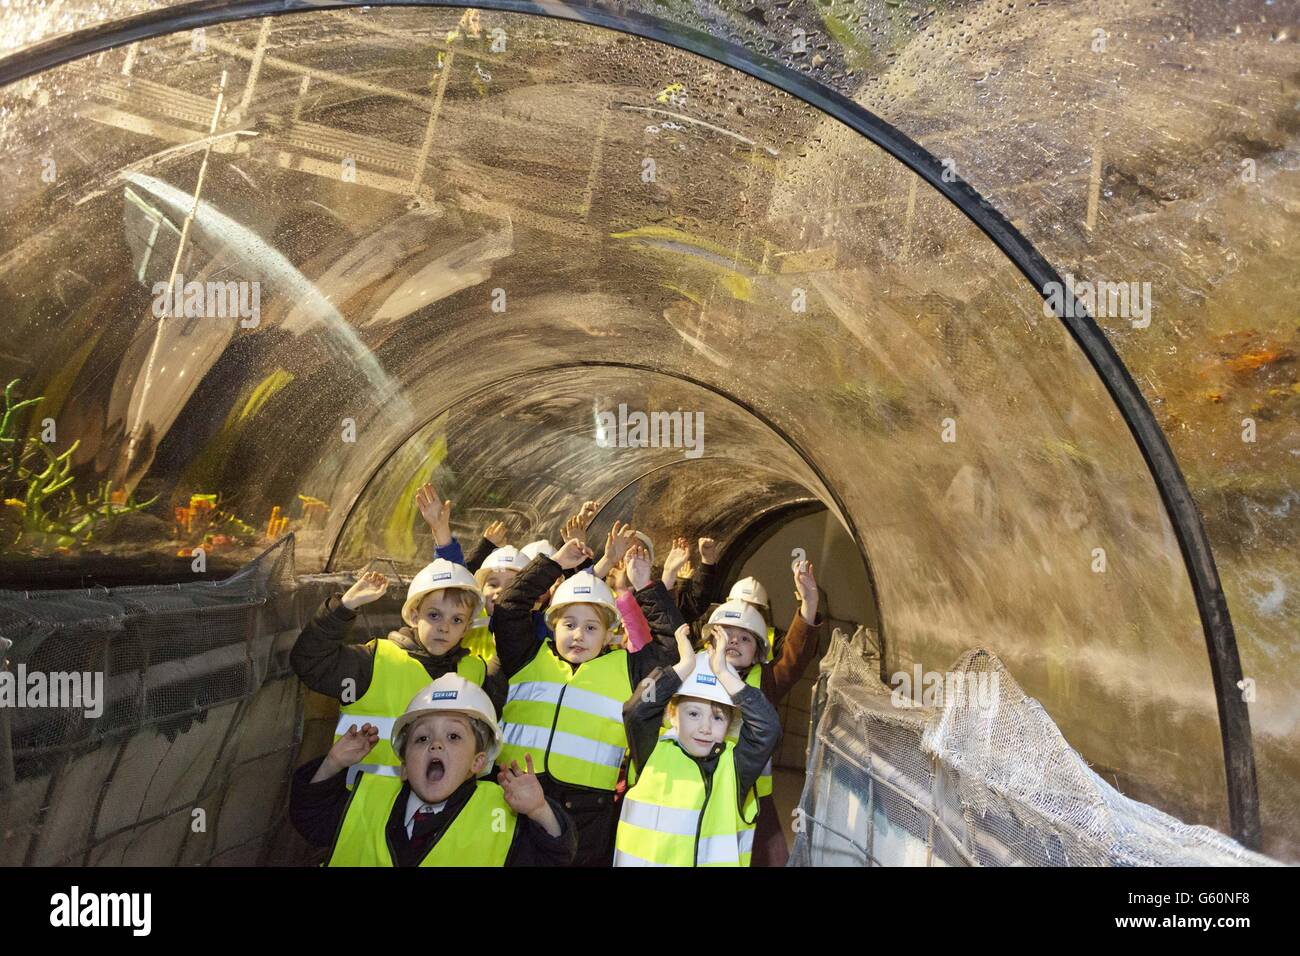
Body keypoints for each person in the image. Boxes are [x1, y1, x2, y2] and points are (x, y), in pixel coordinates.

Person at [492, 536, 680, 865]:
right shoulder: (525, 656)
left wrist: (644, 587)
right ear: (552, 626)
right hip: (509, 795)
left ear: (610, 634)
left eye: (592, 627)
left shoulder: (630, 670)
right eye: (569, 624)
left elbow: (671, 646)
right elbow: (509, 607)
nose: (579, 634)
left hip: (586, 813)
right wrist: (553, 565)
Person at [290, 675, 576, 866]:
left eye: (453, 737)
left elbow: (554, 856)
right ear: (404, 765)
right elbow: (310, 819)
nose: (436, 745)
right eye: (422, 738)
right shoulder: (367, 798)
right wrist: (333, 764)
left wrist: (539, 810)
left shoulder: (502, 815)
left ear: (477, 763)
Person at [290, 558, 504, 784]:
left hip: (437, 816)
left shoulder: (476, 672)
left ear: (467, 628)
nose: (444, 627)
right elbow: (309, 662)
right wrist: (344, 607)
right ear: (414, 616)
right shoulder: (374, 662)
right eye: (434, 615)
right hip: (361, 808)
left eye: (457, 619)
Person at [615, 626, 781, 866]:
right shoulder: (652, 752)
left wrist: (725, 674)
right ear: (672, 715)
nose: (705, 727)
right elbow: (636, 709)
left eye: (717, 717)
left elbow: (768, 727)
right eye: (693, 714)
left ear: (730, 724)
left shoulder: (734, 767)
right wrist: (681, 669)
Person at [703, 558, 823, 866]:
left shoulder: (766, 681)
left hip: (751, 795)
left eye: (745, 639)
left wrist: (808, 605)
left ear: (759, 651)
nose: (734, 642)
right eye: (728, 635)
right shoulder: (693, 672)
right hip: (699, 786)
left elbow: (795, 656)